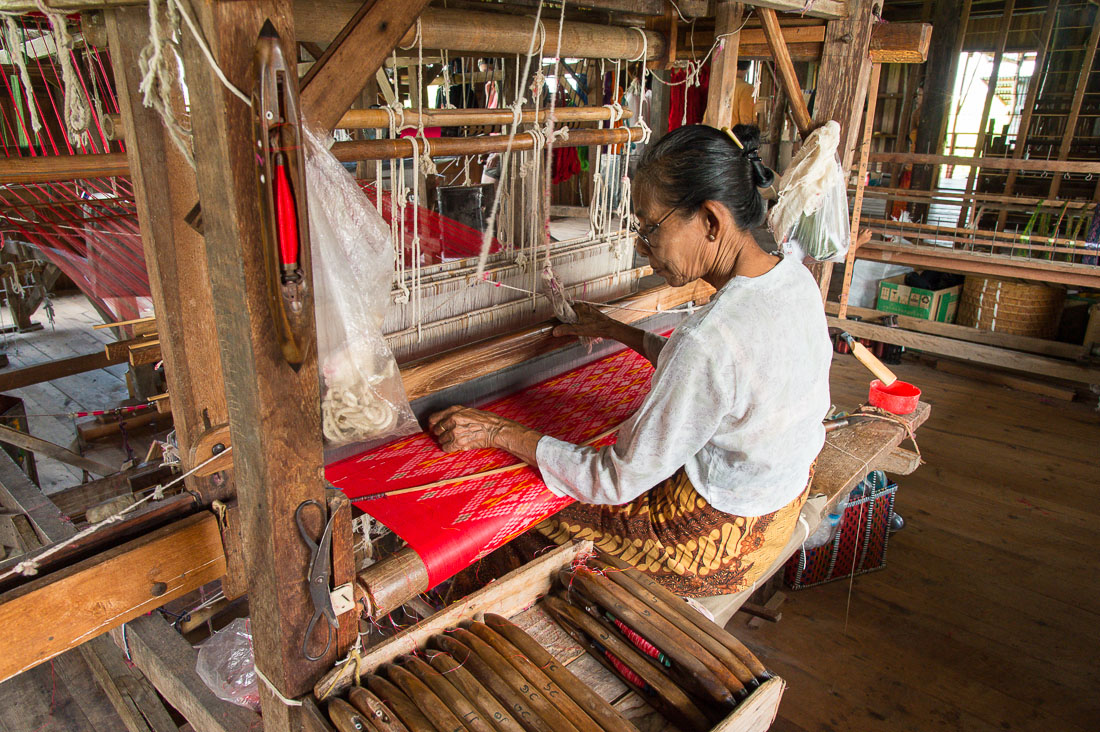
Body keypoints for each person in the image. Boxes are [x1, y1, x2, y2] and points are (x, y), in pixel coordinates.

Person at [428, 124, 832, 597]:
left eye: (650, 227)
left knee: (523, 519)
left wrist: (497, 432)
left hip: (723, 544)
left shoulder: (708, 338)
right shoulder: (793, 279)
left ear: (710, 221)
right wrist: (617, 331)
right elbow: (725, 380)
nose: (642, 246)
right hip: (781, 498)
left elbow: (612, 481)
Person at [730, 60, 756, 128]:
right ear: (747, 68)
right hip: (732, 135)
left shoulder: (720, 85)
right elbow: (746, 120)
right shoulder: (746, 88)